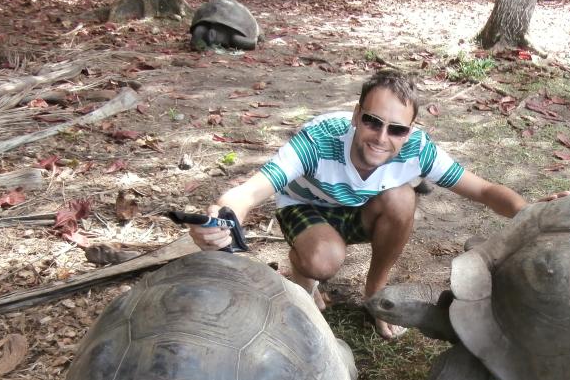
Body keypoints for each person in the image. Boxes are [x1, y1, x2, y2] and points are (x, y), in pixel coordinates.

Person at [188, 69, 527, 339]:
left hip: (362, 208)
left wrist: (529, 212)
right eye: (372, 121)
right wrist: (221, 217)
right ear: (356, 115)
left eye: (395, 129)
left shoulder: (418, 150)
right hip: (307, 206)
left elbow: (484, 190)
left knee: (402, 196)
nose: (381, 137)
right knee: (323, 261)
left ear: (409, 132)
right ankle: (304, 278)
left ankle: (375, 291)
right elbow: (250, 191)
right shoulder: (319, 140)